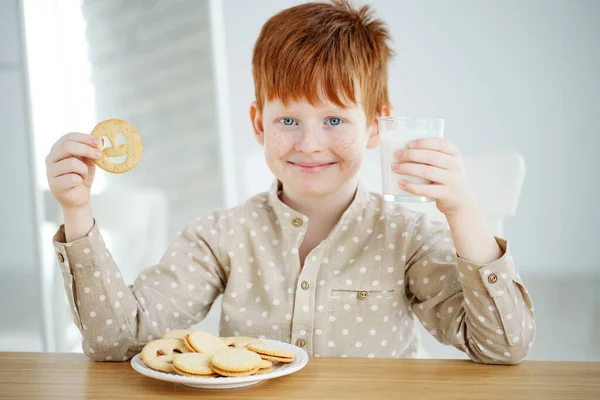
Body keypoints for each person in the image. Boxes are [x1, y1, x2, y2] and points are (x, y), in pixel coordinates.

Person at [46, 0, 535, 363]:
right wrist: (77, 210)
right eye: (287, 121)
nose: (309, 144)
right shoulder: (222, 237)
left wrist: (463, 211)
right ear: (259, 124)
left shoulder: (406, 238)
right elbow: (116, 339)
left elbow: (503, 346)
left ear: (375, 127)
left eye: (335, 121)